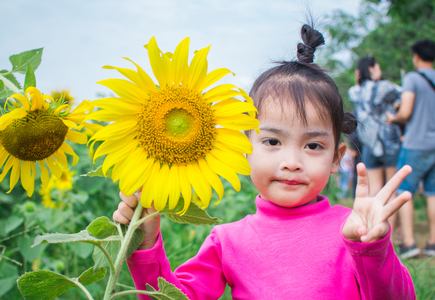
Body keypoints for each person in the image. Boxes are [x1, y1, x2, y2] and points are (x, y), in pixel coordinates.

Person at [113, 25, 415, 299]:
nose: (292, 162)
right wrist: (146, 244)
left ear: (336, 158)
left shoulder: (351, 231)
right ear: (244, 147)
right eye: (272, 141)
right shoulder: (228, 241)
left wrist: (373, 251)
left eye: (312, 145)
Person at [386, 39, 435, 258]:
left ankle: (409, 243)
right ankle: (433, 243)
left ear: (416, 56)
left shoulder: (412, 78)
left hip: (415, 143)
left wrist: (393, 118)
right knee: (433, 194)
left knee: (404, 191)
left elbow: (405, 112)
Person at [348, 57, 402, 201]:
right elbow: (405, 95)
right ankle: (391, 224)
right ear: (372, 69)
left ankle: (374, 223)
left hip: (369, 146)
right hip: (389, 144)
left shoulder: (354, 91)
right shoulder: (385, 86)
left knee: (374, 191)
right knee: (391, 189)